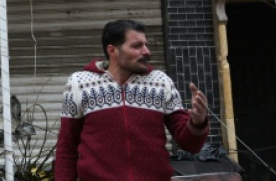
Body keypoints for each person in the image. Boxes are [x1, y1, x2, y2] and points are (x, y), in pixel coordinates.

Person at [54, 20, 209, 181]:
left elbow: (190, 145)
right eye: (137, 46)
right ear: (113, 50)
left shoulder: (161, 82)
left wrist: (198, 122)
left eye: (146, 45)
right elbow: (66, 148)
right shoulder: (80, 84)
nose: (147, 51)